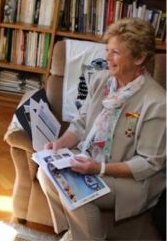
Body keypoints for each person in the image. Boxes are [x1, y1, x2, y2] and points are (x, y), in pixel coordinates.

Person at [38, 18, 166, 240]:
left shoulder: (157, 103)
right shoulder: (102, 80)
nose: (107, 58)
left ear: (139, 57)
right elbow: (80, 123)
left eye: (115, 52)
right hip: (93, 161)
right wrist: (59, 145)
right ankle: (76, 233)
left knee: (78, 193)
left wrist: (99, 168)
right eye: (107, 50)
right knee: (45, 172)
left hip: (131, 180)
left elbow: (148, 163)